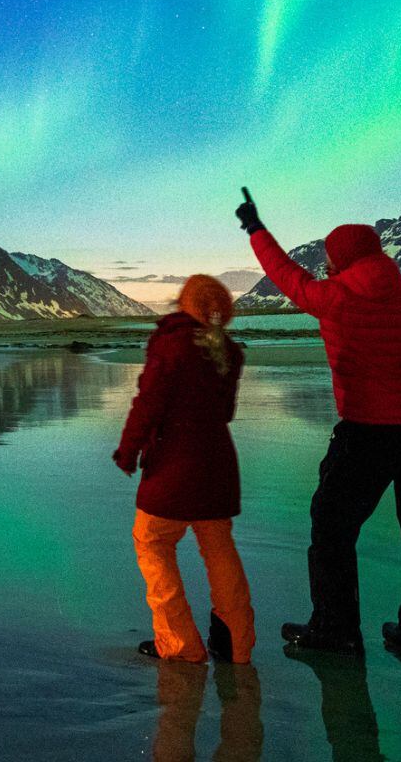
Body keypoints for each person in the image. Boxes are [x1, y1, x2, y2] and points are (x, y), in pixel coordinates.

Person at [236, 188, 401, 658]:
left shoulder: (333, 297)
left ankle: (336, 630)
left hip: (366, 432)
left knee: (332, 527)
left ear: (338, 260)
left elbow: (284, 275)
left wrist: (255, 228)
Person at [115, 275, 256, 664]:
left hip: (174, 466)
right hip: (218, 466)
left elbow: (148, 405)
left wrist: (128, 452)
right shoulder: (229, 351)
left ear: (185, 304)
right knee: (218, 548)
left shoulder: (172, 344)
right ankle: (236, 644)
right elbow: (225, 412)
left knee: (153, 542)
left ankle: (179, 645)